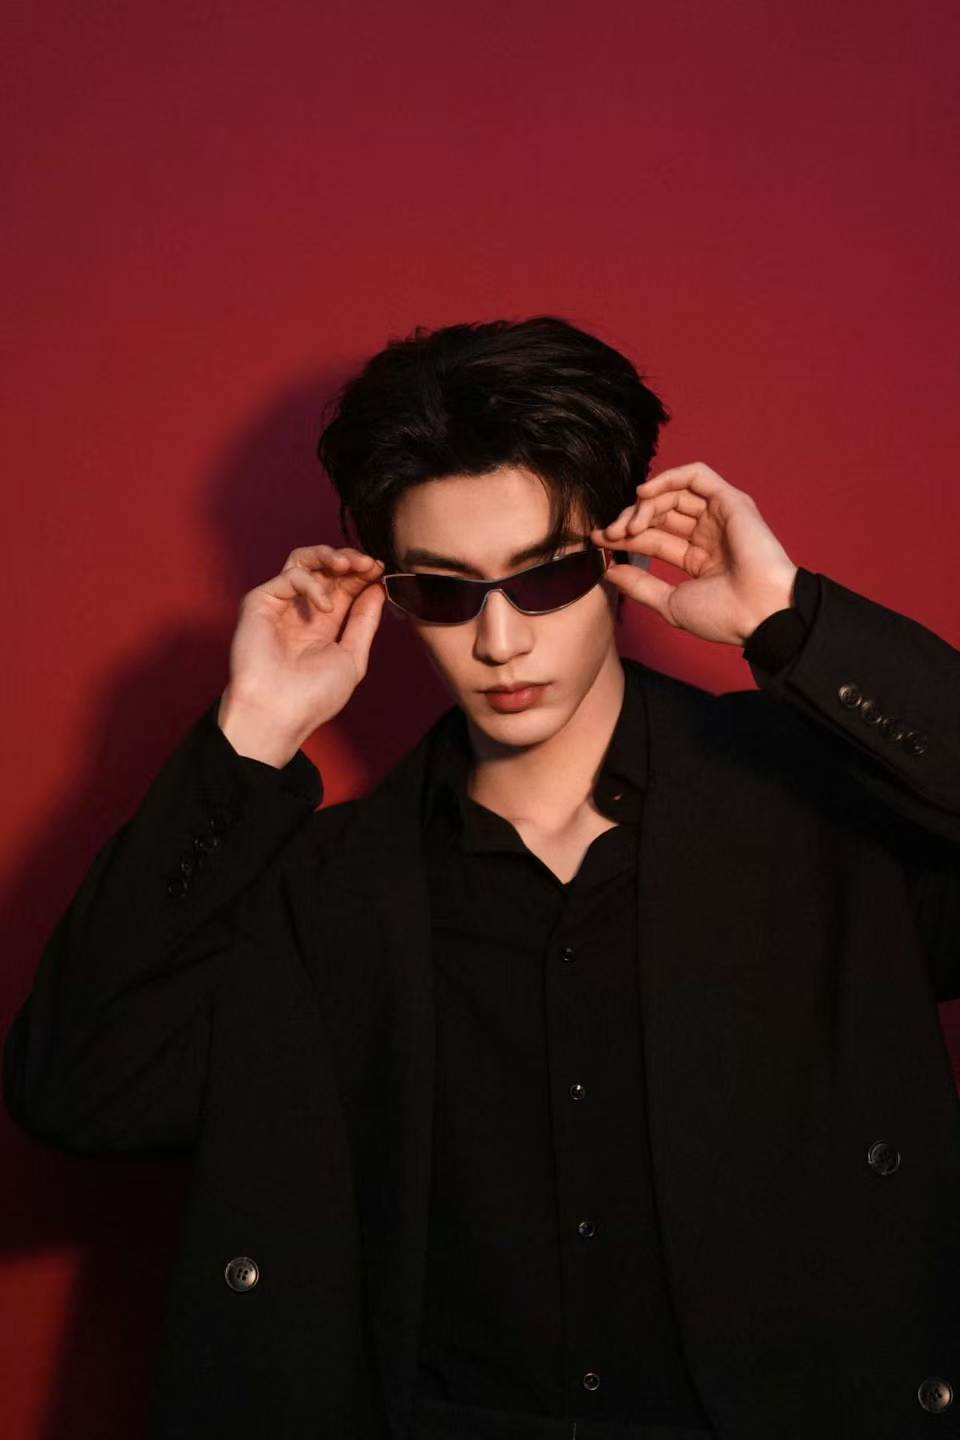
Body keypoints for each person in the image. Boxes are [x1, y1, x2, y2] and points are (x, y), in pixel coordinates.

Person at [3, 315, 959, 1440]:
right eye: (447, 593)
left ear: (617, 556)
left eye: (545, 578)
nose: (500, 641)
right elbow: (78, 1086)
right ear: (391, 594)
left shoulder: (817, 822)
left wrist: (792, 624)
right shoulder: (331, 892)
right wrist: (250, 734)